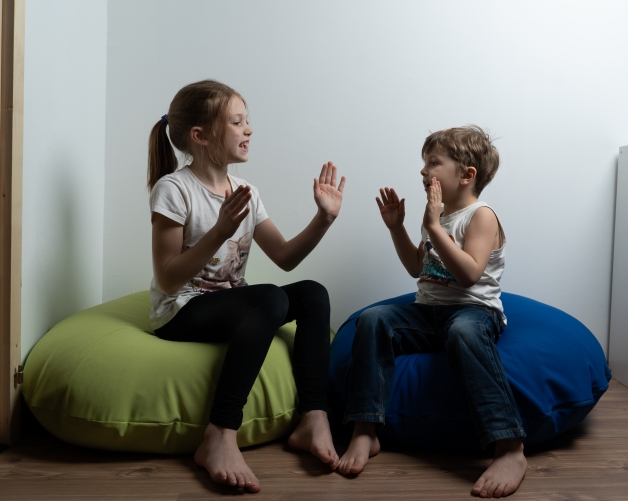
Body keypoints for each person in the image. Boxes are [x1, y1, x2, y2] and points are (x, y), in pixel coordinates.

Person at [147, 79, 345, 493]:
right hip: (180, 310)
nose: (249, 129)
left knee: (312, 293)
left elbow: (285, 257)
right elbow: (167, 277)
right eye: (237, 122)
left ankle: (314, 417)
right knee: (269, 297)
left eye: (246, 121)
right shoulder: (174, 189)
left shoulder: (246, 192)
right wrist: (219, 232)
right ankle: (220, 432)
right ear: (200, 136)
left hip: (233, 305)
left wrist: (324, 219)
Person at [335, 126, 526, 498]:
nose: (424, 171)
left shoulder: (480, 216)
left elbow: (469, 274)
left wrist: (434, 226)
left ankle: (509, 447)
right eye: (424, 163)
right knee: (372, 319)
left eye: (434, 163)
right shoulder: (436, 215)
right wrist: (397, 228)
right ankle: (365, 429)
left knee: (462, 331)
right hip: (428, 314)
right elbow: (416, 267)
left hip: (474, 313)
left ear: (466, 175)